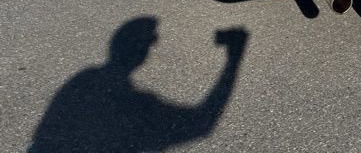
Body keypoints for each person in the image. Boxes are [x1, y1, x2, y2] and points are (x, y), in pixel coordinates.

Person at [29, 17, 248, 152]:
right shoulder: (132, 103)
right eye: (150, 39)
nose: (153, 45)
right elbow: (201, 123)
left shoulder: (84, 80)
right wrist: (234, 57)